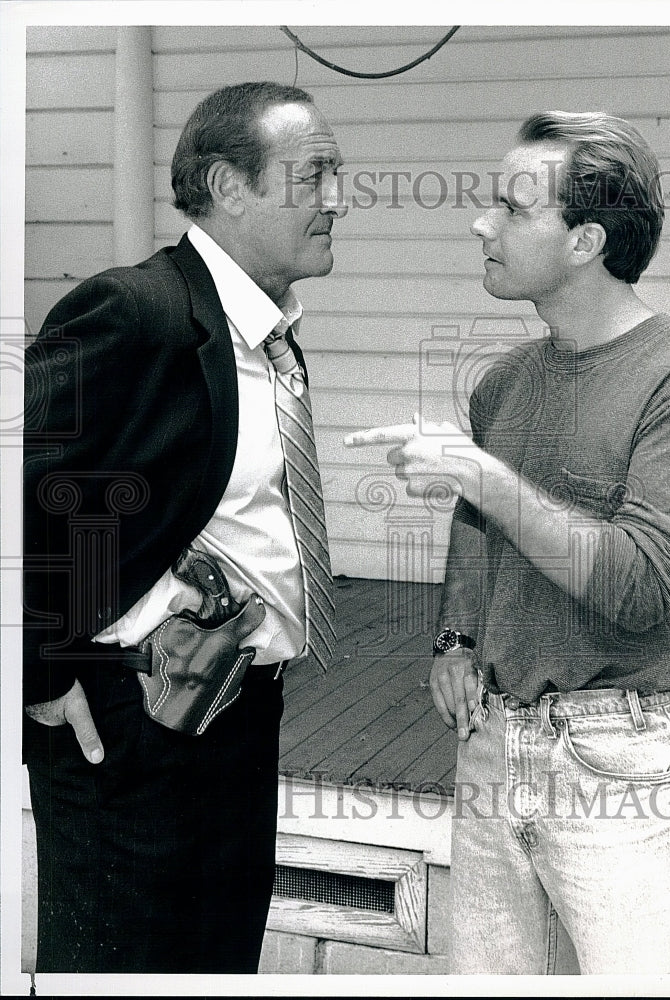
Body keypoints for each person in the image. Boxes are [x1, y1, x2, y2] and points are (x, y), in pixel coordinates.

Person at [346, 111, 670, 974]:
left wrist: (480, 476)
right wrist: (453, 640)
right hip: (493, 745)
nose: (480, 222)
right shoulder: (504, 383)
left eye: (511, 207)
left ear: (584, 240)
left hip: (619, 765)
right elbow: (479, 528)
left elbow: (640, 588)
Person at [23, 81, 346, 974]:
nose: (336, 199)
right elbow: (25, 490)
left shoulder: (269, 335)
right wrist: (45, 678)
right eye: (312, 174)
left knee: (215, 964)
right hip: (127, 724)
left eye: (337, 175)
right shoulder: (135, 312)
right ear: (227, 185)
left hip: (239, 708)